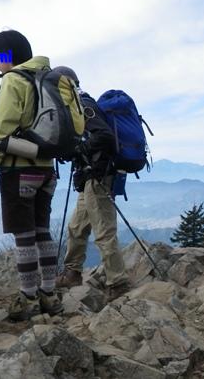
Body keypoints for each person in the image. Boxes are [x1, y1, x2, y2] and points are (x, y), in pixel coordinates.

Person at [0, 30, 63, 321]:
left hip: (20, 168)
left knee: (24, 235)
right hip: (47, 170)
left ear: (9, 54)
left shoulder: (14, 81)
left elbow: (3, 129)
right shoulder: (46, 78)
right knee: (42, 230)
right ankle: (50, 295)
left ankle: (28, 299)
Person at [53, 66, 131, 301]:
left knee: (104, 231)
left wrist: (80, 148)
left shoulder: (84, 106)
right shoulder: (74, 109)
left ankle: (117, 282)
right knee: (76, 228)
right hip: (88, 177)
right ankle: (72, 273)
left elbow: (104, 137)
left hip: (99, 176)